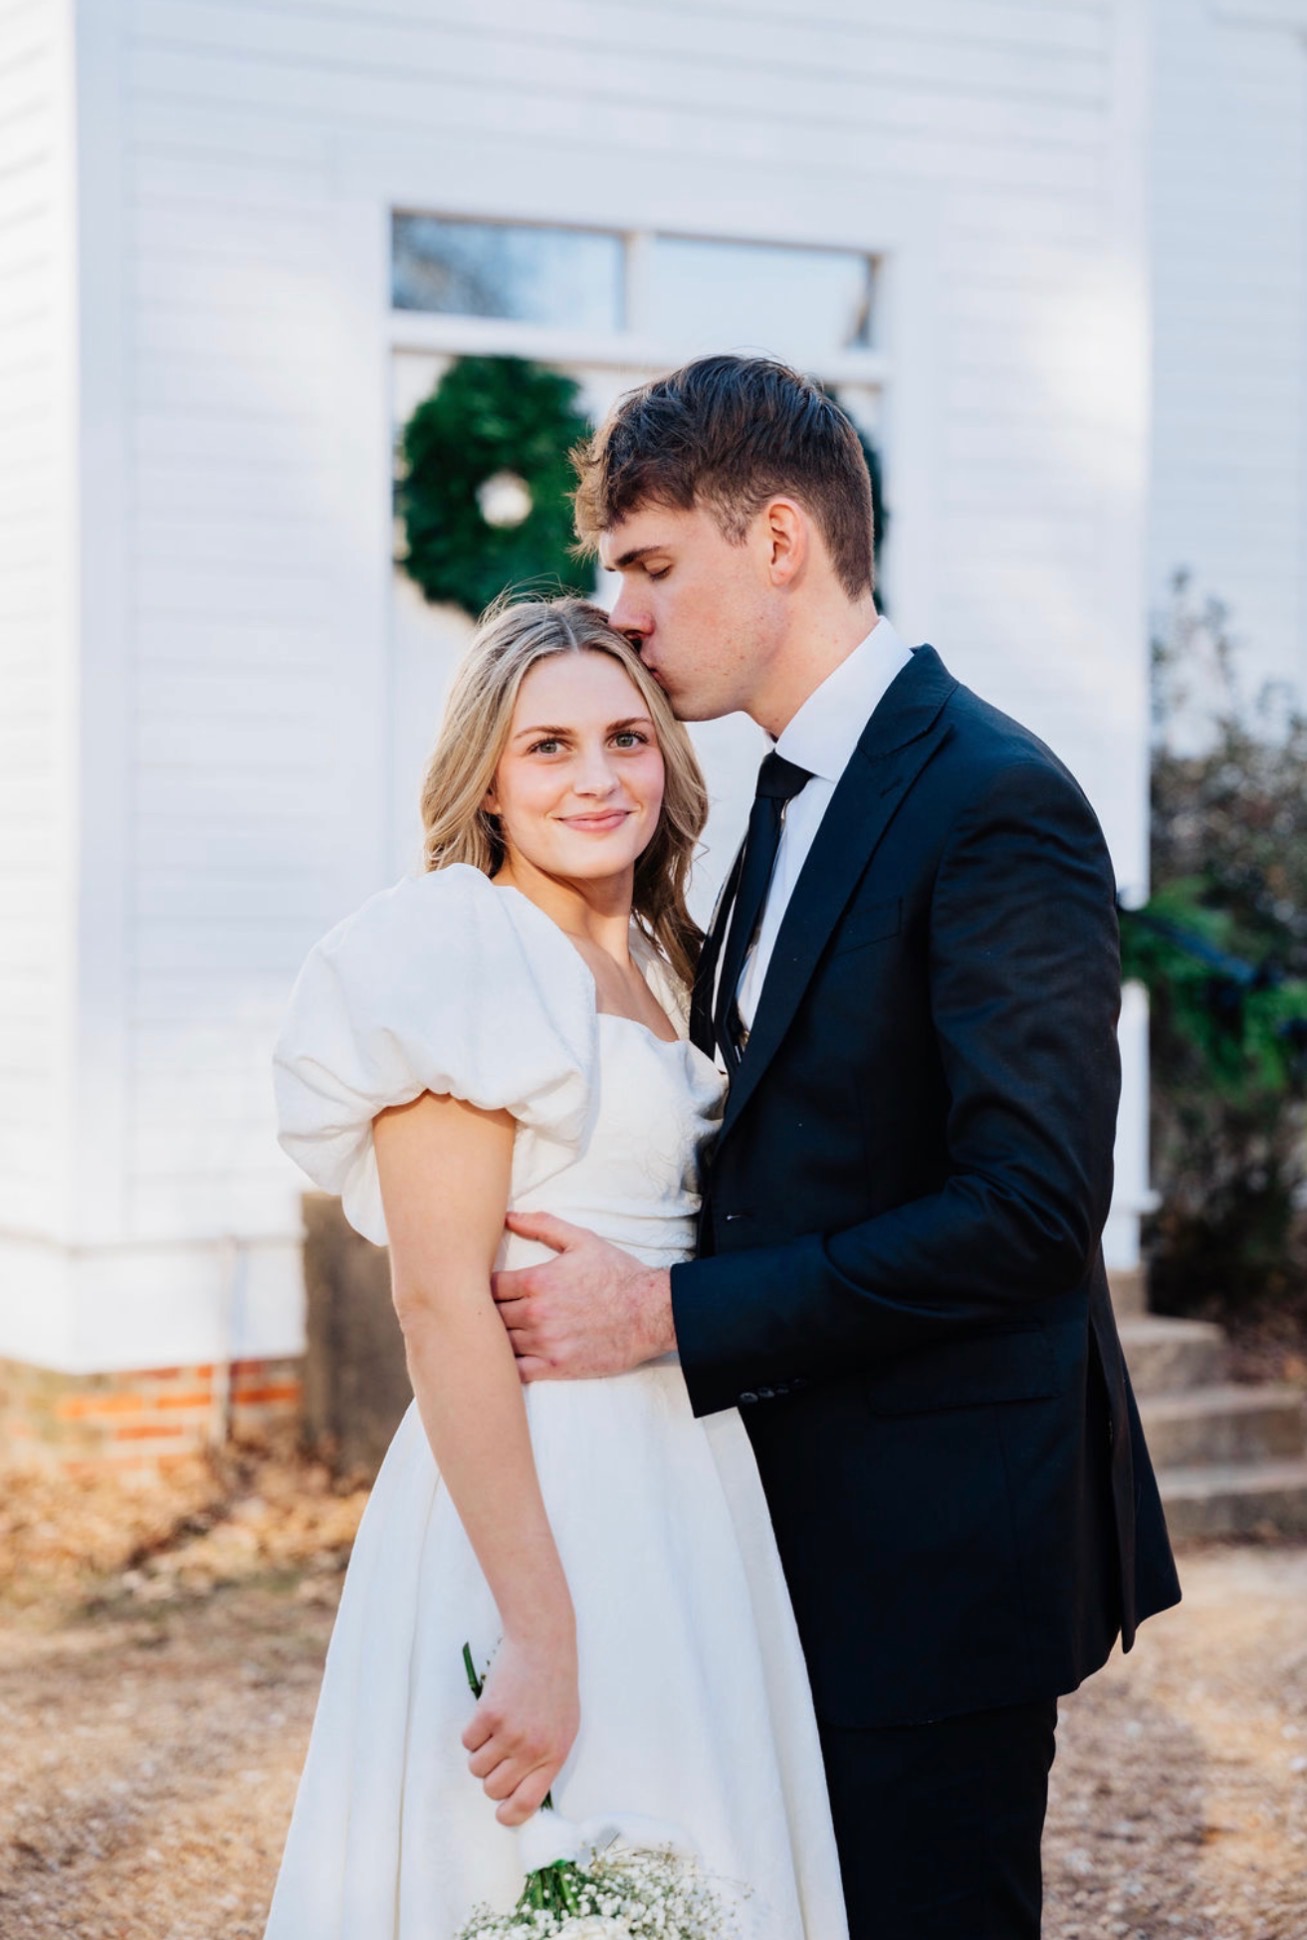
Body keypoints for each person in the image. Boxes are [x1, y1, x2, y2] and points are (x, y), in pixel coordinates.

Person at [489, 355, 1184, 1940]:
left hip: (940, 1547)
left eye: (652, 567)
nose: (629, 617)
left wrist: (666, 1320)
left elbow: (1028, 1209)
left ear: (783, 540)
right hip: (780, 1531)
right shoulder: (784, 796)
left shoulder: (995, 800)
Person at [264, 597, 849, 1938]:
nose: (597, 778)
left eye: (626, 740)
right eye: (547, 748)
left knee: (701, 1857)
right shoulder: (455, 954)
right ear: (484, 775)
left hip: (686, 1478)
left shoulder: (663, 962)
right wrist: (537, 1630)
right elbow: (435, 1298)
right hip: (538, 1491)